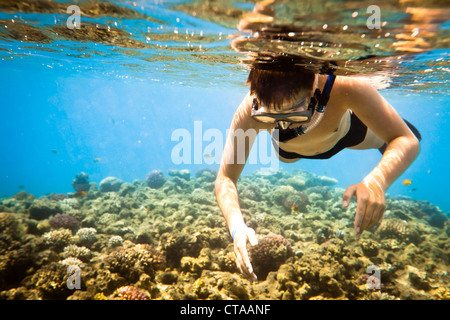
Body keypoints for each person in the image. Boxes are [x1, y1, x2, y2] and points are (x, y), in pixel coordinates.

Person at [214, 61, 421, 281]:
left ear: (314, 89)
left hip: (345, 135)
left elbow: (407, 140)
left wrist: (377, 181)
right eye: (270, 118)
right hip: (289, 152)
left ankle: (382, 123)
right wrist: (237, 228)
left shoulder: (346, 86)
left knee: (406, 134)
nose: (283, 127)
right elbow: (225, 178)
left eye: (294, 116)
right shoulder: (249, 110)